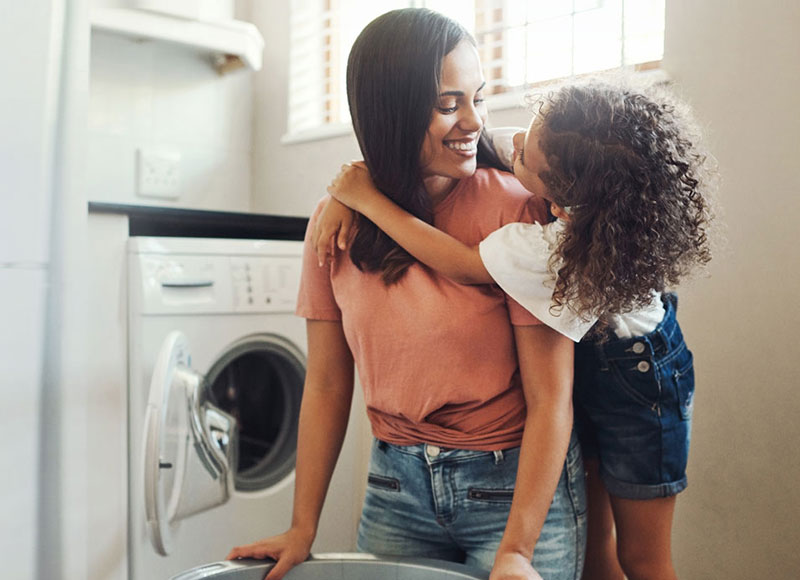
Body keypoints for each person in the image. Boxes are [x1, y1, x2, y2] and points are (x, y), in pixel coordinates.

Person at [226, 8, 586, 580]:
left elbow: (551, 400)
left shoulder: (515, 211)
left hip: (509, 492)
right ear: (391, 112)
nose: (473, 121)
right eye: (449, 105)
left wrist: (516, 549)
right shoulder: (334, 222)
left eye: (479, 98)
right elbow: (324, 381)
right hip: (395, 486)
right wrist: (302, 527)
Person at [319, 79, 715, 580]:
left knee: (643, 558)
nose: (514, 144)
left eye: (526, 156)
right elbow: (458, 145)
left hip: (642, 380)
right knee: (596, 553)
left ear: (557, 198)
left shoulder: (548, 249)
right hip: (587, 359)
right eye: (530, 129)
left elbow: (461, 264)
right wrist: (352, 186)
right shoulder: (560, 154)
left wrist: (370, 202)